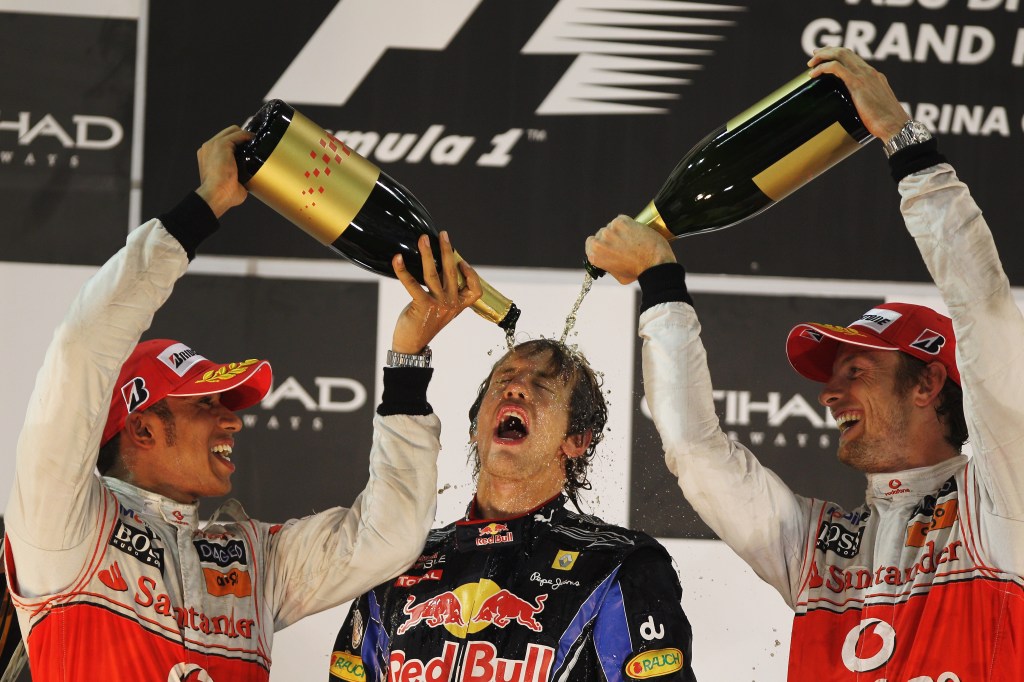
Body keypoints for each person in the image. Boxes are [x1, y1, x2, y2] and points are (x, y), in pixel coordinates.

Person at [586, 47, 1024, 681]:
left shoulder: (1001, 500)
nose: (830, 393)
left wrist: (906, 144)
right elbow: (695, 451)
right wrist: (661, 283)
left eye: (856, 372)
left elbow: (984, 313)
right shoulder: (820, 545)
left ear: (928, 382)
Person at [3, 125, 482, 681]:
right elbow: (82, 349)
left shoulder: (253, 558)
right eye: (205, 404)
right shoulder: (62, 523)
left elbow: (386, 537)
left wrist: (407, 362)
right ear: (141, 429)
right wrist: (205, 207)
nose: (232, 418)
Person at [328, 338, 697, 681]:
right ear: (475, 427)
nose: (515, 387)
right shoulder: (399, 559)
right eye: (504, 378)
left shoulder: (617, 565)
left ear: (576, 439)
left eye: (542, 386)